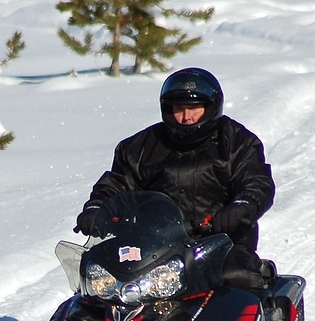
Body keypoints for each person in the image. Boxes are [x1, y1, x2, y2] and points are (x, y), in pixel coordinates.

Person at [74, 67, 274, 291]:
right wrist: (96, 208)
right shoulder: (139, 148)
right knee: (99, 284)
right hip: (155, 246)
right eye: (179, 109)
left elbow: (256, 182)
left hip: (221, 243)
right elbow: (117, 184)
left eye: (194, 108)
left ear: (211, 107)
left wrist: (241, 207)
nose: (187, 117)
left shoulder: (237, 143)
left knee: (237, 277)